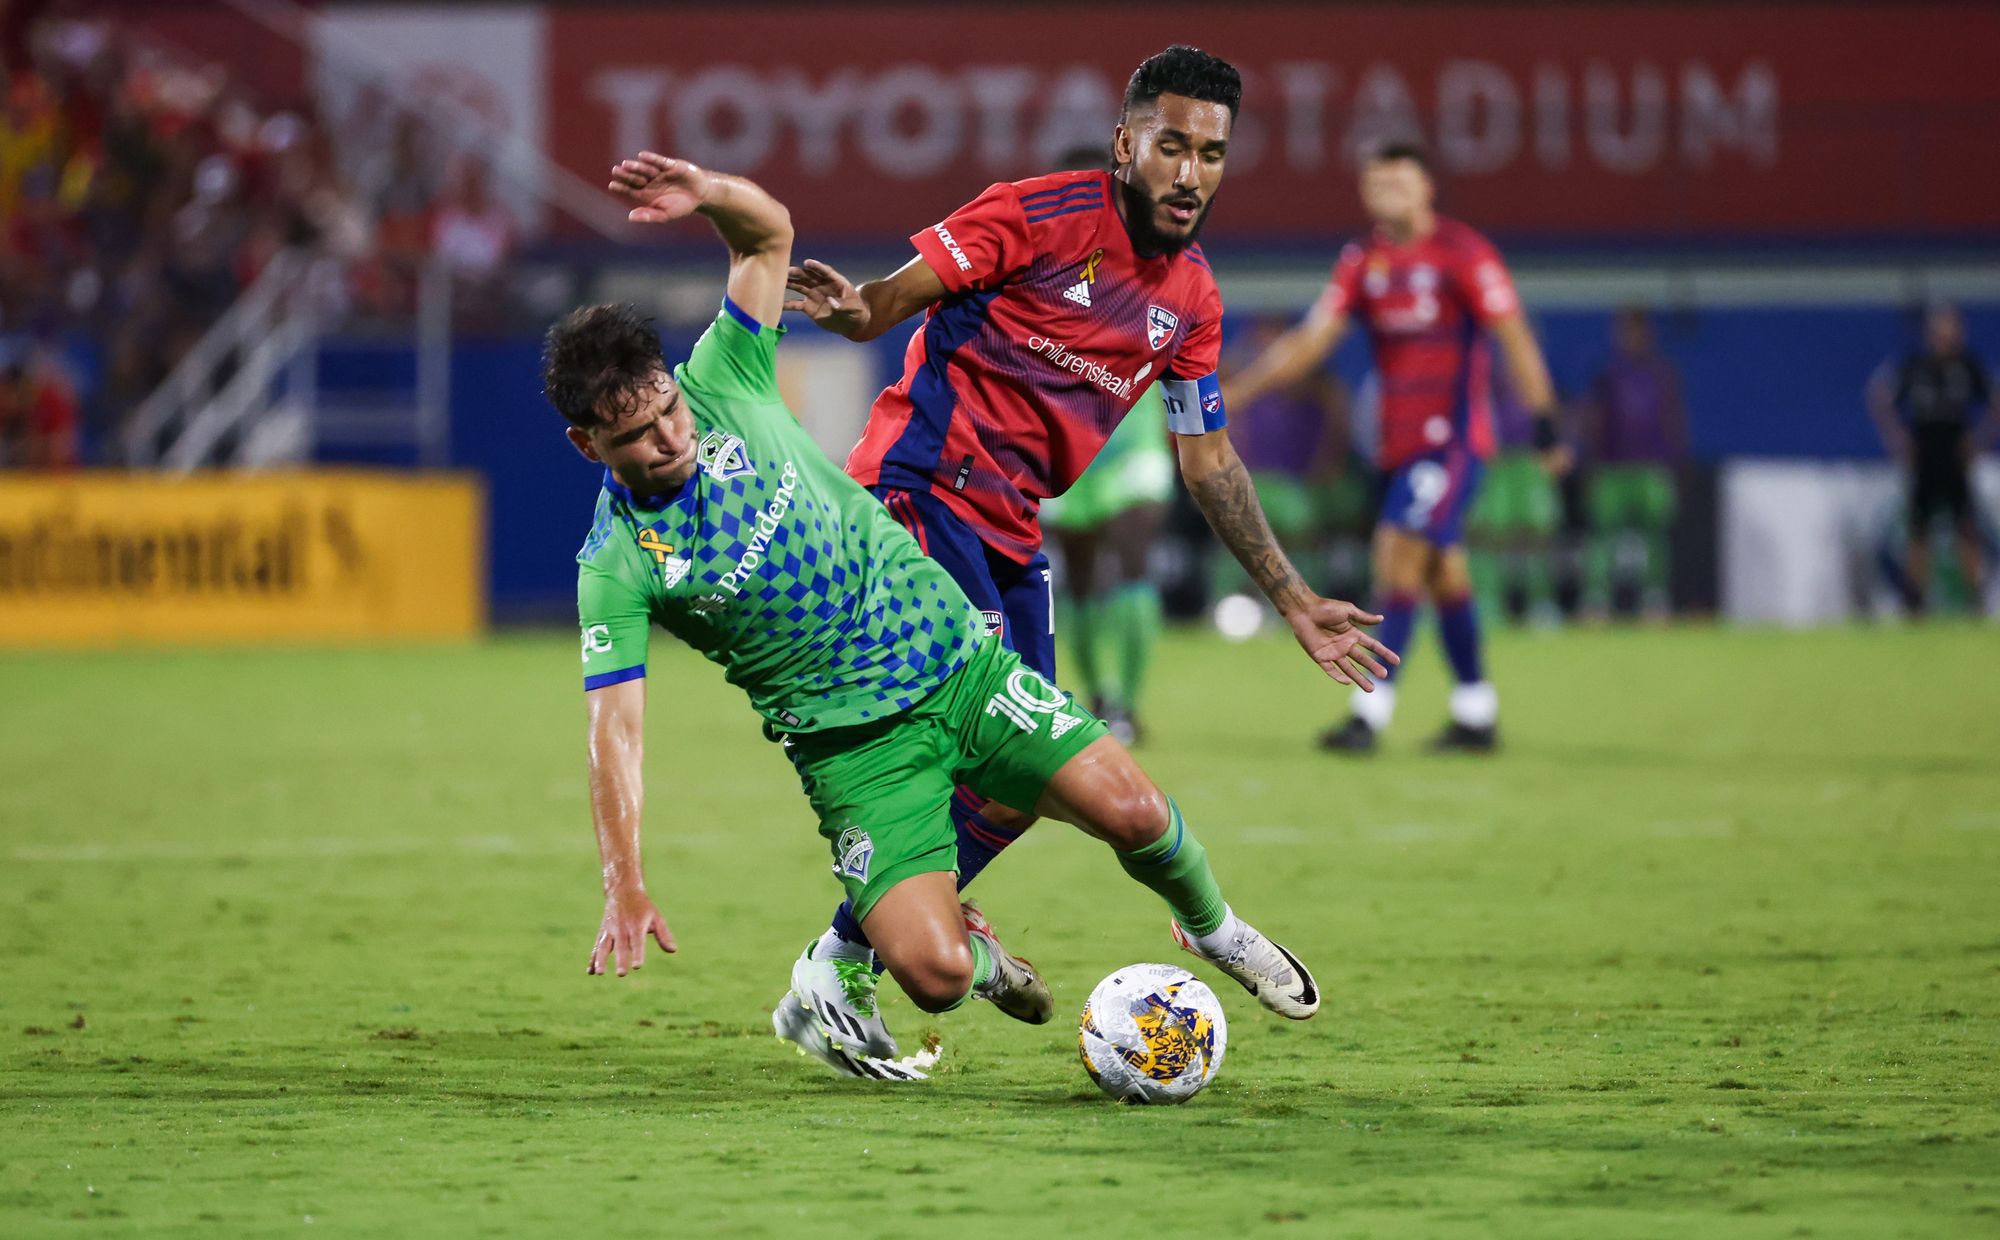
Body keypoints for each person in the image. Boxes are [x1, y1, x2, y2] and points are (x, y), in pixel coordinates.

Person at [555, 151, 1396, 1080]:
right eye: (636, 435)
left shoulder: (725, 376)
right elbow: (615, 727)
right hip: (858, 751)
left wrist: (710, 194)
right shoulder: (618, 564)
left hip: (957, 662)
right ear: (587, 443)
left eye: (666, 409)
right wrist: (623, 879)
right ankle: (949, 954)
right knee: (939, 974)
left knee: (1132, 809)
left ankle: (1215, 929)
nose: (668, 436)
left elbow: (768, 235)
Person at [783, 45, 1389, 1039]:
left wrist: (1291, 596)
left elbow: (1209, 461)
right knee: (984, 732)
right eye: (1171, 146)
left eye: (1211, 154)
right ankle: (901, 948)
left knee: (1023, 783)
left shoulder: (1190, 298)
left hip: (1013, 530)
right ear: (1125, 143)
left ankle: (844, 955)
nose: (1189, 173)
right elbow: (887, 299)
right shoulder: (1035, 215)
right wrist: (857, 311)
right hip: (921, 489)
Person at [1223, 141, 1565, 753]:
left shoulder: (1464, 254)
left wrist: (1545, 423)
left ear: (1427, 188)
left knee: (1396, 552)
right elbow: (1313, 340)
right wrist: (1241, 391)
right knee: (1444, 571)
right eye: (1377, 184)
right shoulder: (1364, 262)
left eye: (1401, 183)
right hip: (1398, 448)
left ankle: (1369, 716)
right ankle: (1476, 712)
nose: (1389, 195)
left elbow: (1513, 335)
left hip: (1454, 445)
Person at [1867, 303, 1994, 613]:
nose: (1944, 336)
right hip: (1925, 453)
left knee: (1965, 525)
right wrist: (1899, 441)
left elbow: (1995, 401)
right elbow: (1879, 396)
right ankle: (1916, 600)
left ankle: (1974, 599)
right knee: (1918, 528)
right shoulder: (1915, 366)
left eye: (1950, 328)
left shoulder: (1968, 366)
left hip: (1954, 454)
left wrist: (1978, 442)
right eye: (1938, 329)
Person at [1577, 307, 1688, 620]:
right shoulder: (1608, 374)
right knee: (1602, 535)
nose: (1631, 337)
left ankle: (1655, 600)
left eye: (1637, 330)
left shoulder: (1661, 373)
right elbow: (1594, 421)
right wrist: (1591, 467)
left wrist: (1677, 465)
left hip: (1652, 469)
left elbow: (1673, 420)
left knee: (1655, 536)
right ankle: (1596, 600)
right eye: (1625, 330)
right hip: (1612, 469)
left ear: (1648, 333)